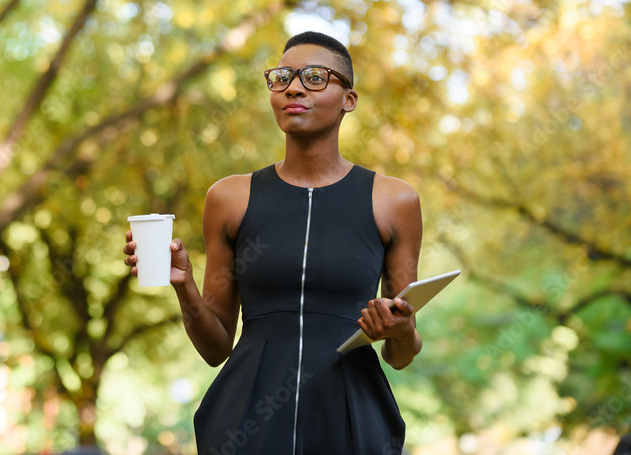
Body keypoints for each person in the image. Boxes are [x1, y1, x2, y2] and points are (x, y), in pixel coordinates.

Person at [123, 31, 423, 454]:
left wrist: (401, 327)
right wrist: (183, 285)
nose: (294, 87)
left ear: (348, 100)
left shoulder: (394, 201)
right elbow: (216, 347)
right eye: (282, 77)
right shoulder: (229, 198)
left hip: (353, 423)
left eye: (315, 77)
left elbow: (400, 353)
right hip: (245, 425)